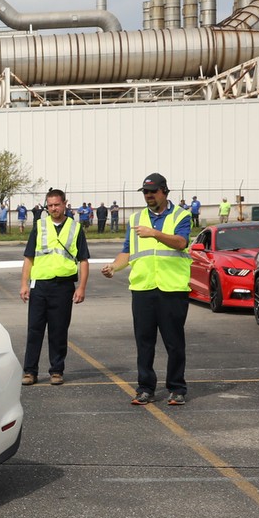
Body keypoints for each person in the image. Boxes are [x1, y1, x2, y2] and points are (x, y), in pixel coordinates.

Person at [102, 172, 193, 406]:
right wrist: (115, 266)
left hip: (172, 289)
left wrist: (155, 233)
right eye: (145, 192)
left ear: (164, 191)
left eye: (152, 192)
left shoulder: (182, 215)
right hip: (143, 288)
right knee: (144, 342)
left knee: (174, 342)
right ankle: (145, 388)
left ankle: (177, 388)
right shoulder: (136, 219)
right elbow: (128, 251)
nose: (149, 196)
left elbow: (181, 243)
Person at [19, 187, 89, 386]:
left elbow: (83, 260)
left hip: (63, 286)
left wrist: (81, 287)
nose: (53, 208)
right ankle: (30, 371)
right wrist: (24, 284)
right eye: (50, 205)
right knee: (34, 330)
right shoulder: (39, 226)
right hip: (39, 285)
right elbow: (29, 258)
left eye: (57, 204)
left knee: (58, 331)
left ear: (65, 204)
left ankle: (56, 370)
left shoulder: (75, 229)